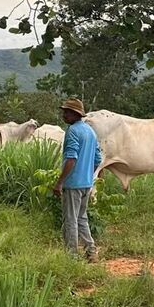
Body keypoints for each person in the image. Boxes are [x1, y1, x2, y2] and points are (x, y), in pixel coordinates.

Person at [53, 98, 101, 261]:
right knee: (82, 218)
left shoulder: (73, 131)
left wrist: (60, 182)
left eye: (67, 112)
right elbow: (97, 159)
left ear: (75, 114)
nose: (64, 115)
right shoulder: (90, 132)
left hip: (73, 184)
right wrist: (87, 174)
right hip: (87, 184)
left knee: (70, 219)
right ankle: (91, 251)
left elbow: (71, 159)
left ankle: (71, 256)